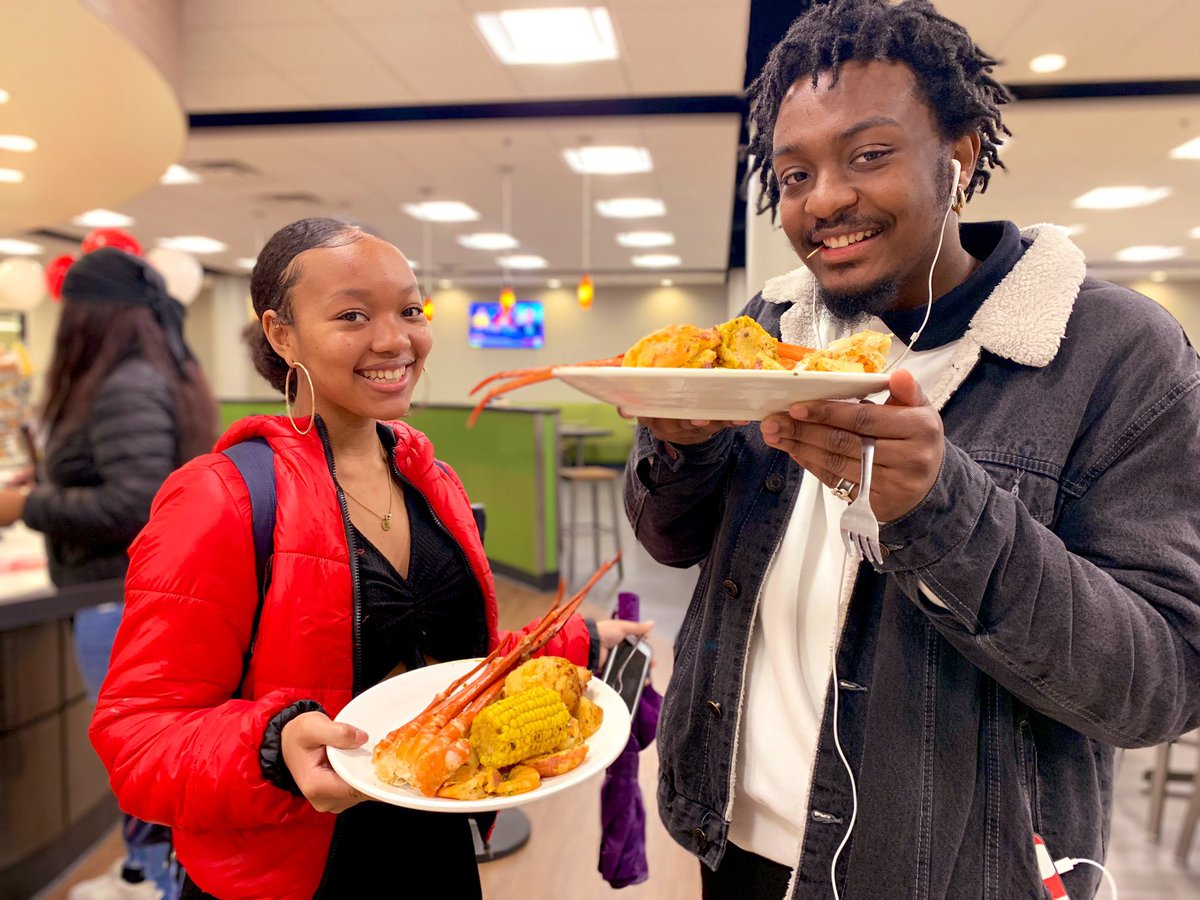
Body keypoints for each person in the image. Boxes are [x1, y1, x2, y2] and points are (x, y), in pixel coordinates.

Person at [624, 2, 1200, 898]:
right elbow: (674, 540)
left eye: (868, 155)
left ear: (961, 156)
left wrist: (940, 511)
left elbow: (1158, 686)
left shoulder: (1115, 354)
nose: (824, 200)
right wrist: (680, 444)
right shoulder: (770, 329)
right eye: (794, 173)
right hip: (728, 843)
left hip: (953, 875)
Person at [88, 217, 650, 899]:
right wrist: (273, 750)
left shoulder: (429, 480)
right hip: (293, 870)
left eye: (411, 310)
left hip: (434, 837)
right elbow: (137, 738)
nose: (396, 339)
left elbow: (442, 663)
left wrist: (581, 640)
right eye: (352, 314)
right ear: (280, 333)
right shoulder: (222, 499)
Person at [0, 247, 216, 899]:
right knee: (146, 753)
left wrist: (23, 504)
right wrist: (49, 481)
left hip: (121, 601)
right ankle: (143, 870)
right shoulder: (158, 369)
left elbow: (135, 500)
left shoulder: (125, 382)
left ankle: (156, 879)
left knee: (138, 756)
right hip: (138, 597)